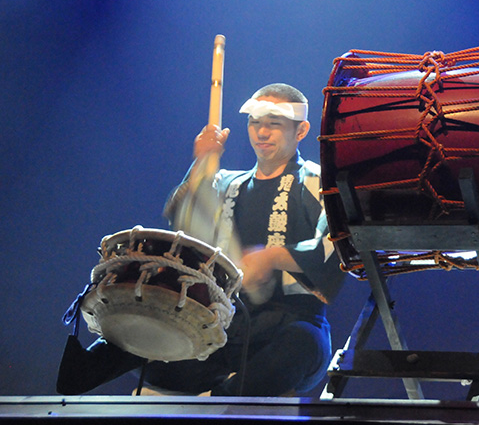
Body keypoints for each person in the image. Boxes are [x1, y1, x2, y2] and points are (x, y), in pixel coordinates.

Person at [57, 83, 345, 396]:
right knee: (150, 322)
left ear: (301, 130)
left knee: (299, 346)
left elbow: (335, 244)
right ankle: (87, 371)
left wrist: (271, 257)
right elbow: (184, 222)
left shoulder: (317, 181)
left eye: (274, 124)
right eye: (255, 123)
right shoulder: (226, 183)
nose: (262, 133)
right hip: (220, 328)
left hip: (289, 324)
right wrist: (202, 162)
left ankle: (221, 401)